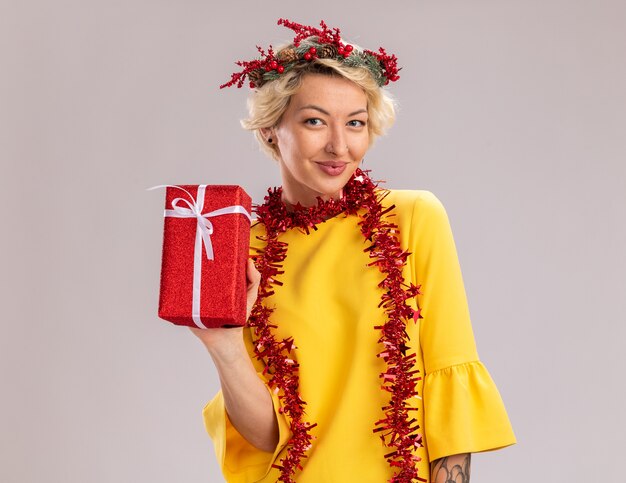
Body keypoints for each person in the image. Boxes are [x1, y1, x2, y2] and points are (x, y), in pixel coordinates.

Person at [190, 19, 516, 483]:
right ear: (269, 130)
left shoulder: (412, 218)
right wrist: (224, 347)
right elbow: (268, 434)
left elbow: (448, 377)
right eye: (315, 121)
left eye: (356, 123)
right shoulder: (245, 247)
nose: (339, 145)